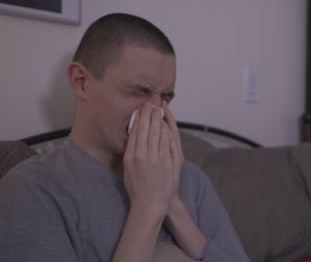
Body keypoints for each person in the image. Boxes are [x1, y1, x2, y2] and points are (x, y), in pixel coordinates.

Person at [0, 13, 249, 262]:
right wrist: (149, 208)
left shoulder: (190, 179)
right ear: (81, 82)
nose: (156, 111)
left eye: (166, 97)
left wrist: (174, 207)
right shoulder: (33, 190)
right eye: (138, 91)